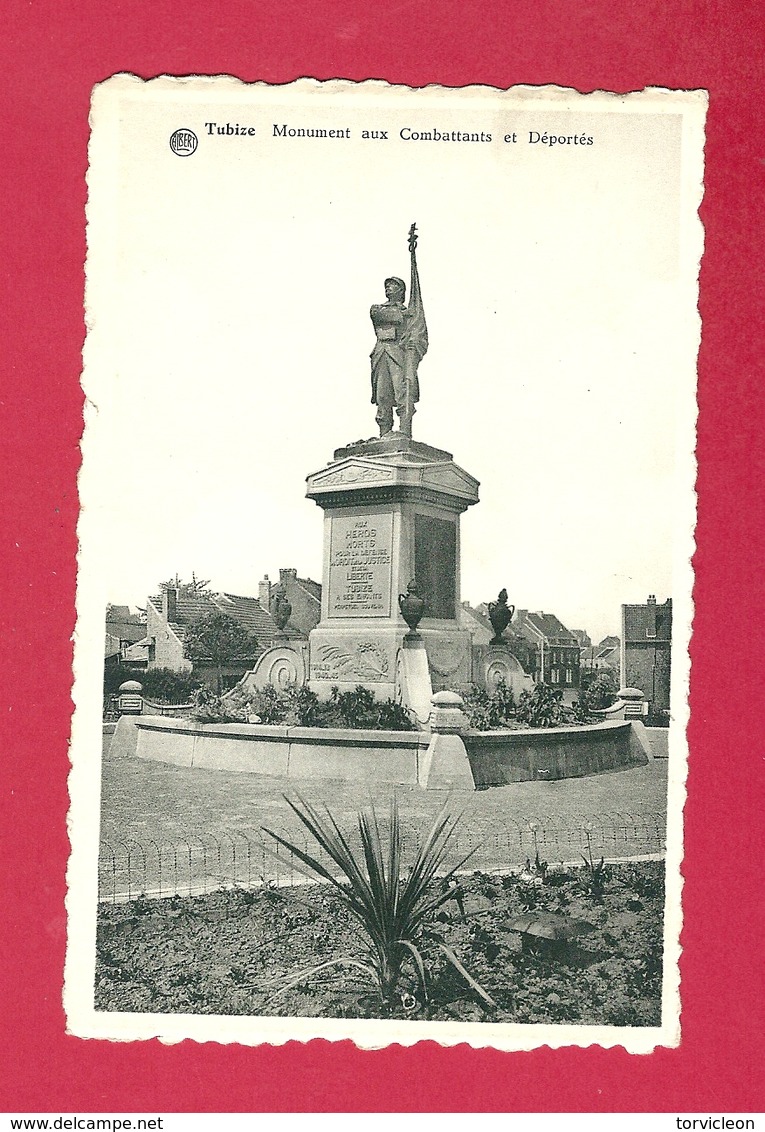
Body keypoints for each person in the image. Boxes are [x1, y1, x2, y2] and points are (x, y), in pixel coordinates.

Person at [369, 225, 428, 437]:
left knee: (402, 390)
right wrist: (404, 315)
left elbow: (418, 332)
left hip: (398, 353)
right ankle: (384, 431)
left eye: (392, 286)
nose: (388, 289)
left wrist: (413, 340)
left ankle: (404, 429)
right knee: (382, 394)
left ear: (401, 291)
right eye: (387, 286)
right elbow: (379, 316)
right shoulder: (379, 309)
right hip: (381, 353)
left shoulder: (409, 313)